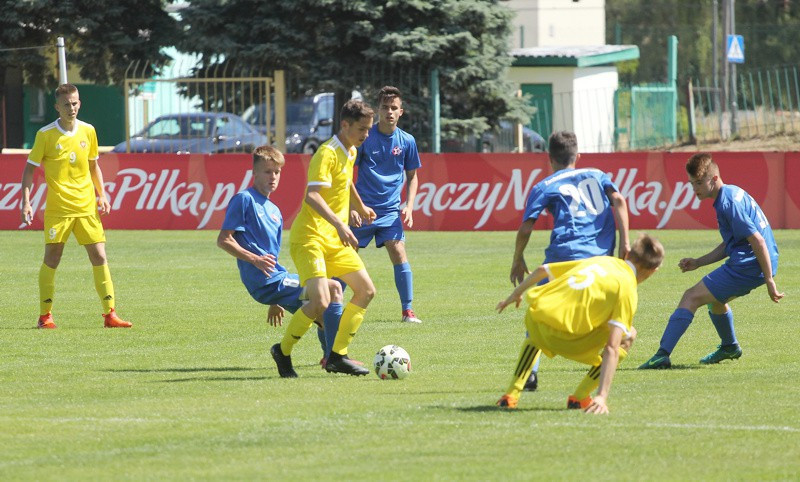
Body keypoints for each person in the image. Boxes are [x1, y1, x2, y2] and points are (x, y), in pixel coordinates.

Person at [509, 131, 630, 391]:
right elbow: (619, 200)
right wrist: (625, 243)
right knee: (607, 316)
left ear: (549, 158)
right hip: (600, 259)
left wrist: (518, 259)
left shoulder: (544, 185)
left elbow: (526, 227)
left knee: (538, 310)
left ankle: (530, 373)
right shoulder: (597, 174)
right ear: (578, 156)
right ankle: (599, 369)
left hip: (566, 255)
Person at [639, 153, 783, 369]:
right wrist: (698, 262)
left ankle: (662, 354)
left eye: (699, 182)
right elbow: (733, 242)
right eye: (691, 183)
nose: (695, 188)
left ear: (714, 179)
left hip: (750, 265)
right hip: (757, 261)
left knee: (690, 297)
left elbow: (758, 240)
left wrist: (769, 279)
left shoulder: (727, 204)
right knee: (716, 300)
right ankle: (729, 347)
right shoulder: (732, 192)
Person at [496, 233, 664, 414]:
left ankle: (510, 396)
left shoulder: (601, 261)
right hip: (566, 340)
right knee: (629, 334)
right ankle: (581, 396)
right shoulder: (627, 290)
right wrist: (602, 395)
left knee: (545, 322)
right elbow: (611, 348)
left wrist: (515, 294)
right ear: (653, 270)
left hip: (535, 320)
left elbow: (543, 269)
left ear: (628, 253)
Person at [217, 145, 344, 378]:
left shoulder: (275, 211)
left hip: (276, 283)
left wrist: (275, 302)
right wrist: (254, 259)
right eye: (267, 172)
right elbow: (224, 240)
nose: (273, 177)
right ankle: (331, 358)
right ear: (254, 173)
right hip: (265, 283)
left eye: (277, 172)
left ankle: (324, 358)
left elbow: (272, 258)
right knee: (332, 288)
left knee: (322, 305)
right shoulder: (244, 200)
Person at [272, 99, 378, 377]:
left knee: (366, 291)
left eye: (368, 129)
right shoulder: (326, 153)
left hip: (333, 239)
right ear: (345, 125)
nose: (366, 134)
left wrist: (359, 205)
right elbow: (313, 195)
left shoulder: (351, 150)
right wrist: (341, 225)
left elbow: (344, 182)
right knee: (319, 301)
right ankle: (281, 352)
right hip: (310, 239)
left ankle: (336, 356)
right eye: (362, 129)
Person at [19, 83, 131, 329]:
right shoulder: (45, 135)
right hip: (59, 209)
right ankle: (45, 316)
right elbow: (29, 170)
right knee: (53, 257)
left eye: (75, 103)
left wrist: (102, 194)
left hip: (86, 207)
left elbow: (93, 165)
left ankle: (110, 315)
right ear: (57, 107)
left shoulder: (88, 131)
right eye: (67, 104)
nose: (72, 108)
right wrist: (26, 202)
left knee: (100, 256)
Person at [350, 86, 423, 323]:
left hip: (390, 211)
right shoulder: (365, 138)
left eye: (394, 108)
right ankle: (330, 305)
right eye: (385, 107)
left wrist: (409, 205)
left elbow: (412, 176)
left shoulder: (407, 141)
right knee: (347, 256)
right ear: (378, 110)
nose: (389, 112)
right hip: (362, 210)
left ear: (401, 112)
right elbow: (346, 173)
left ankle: (408, 311)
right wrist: (352, 206)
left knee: (398, 250)